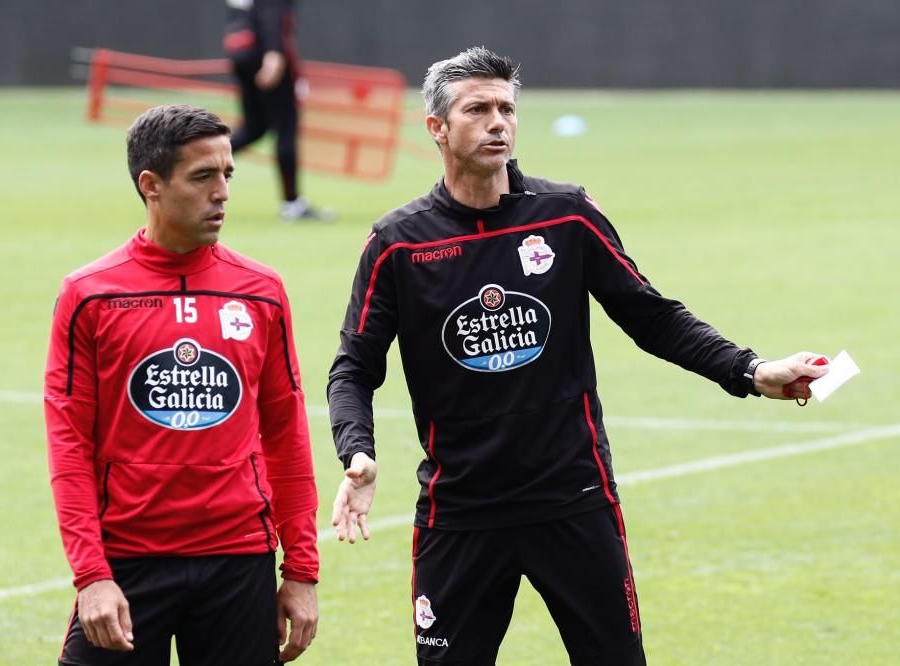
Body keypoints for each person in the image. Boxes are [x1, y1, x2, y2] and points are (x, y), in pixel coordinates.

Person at [327, 47, 829, 665]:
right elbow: (354, 366)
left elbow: (651, 316)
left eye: (507, 108)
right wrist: (358, 450)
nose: (498, 123)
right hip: (460, 510)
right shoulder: (398, 243)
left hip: (574, 498)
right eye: (477, 109)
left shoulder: (564, 214)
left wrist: (749, 370)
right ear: (436, 127)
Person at [44, 104, 319, 665]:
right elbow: (69, 445)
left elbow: (287, 433)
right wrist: (91, 575)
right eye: (203, 177)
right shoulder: (89, 295)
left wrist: (302, 570)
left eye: (228, 174)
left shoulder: (261, 290)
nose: (222, 192)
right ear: (151, 185)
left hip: (239, 560)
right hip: (128, 563)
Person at [223, 0, 332, 222]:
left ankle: (197, 161)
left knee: (254, 127)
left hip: (242, 53)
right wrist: (274, 54)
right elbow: (273, 13)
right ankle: (292, 204)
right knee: (286, 126)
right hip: (266, 54)